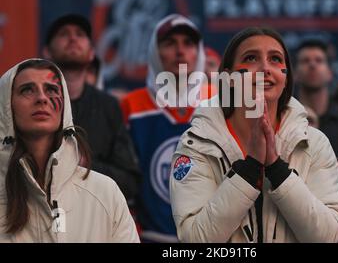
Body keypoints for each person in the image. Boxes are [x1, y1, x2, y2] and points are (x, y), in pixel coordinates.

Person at [170, 27, 338, 242]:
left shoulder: (314, 144)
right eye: (251, 58)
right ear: (229, 78)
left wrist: (277, 169)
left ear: (286, 77)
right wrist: (250, 168)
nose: (265, 68)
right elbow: (195, 240)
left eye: (275, 59)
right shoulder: (195, 144)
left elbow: (328, 236)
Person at [0, 59, 139, 242]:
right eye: (27, 90)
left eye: (51, 90)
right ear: (6, 106)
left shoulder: (105, 193)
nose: (42, 98)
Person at [120, 14, 206, 242]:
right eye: (170, 43)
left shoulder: (218, 102)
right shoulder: (131, 106)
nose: (180, 51)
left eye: (188, 43)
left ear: (199, 52)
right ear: (154, 52)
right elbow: (123, 179)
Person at [43, 14, 140, 201]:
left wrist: (86, 166)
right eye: (64, 34)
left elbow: (130, 183)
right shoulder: (32, 103)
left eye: (80, 34)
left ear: (91, 53)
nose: (72, 38)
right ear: (47, 52)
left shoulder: (109, 106)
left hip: (95, 216)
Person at [294, 39, 338, 175]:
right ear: (295, 74)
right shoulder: (282, 119)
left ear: (330, 73)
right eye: (305, 61)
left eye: (319, 60)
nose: (312, 64)